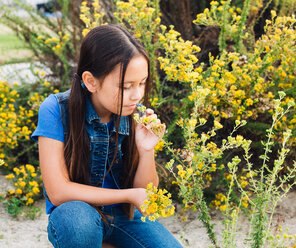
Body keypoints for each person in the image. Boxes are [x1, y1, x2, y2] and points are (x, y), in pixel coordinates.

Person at [31, 24, 183, 248]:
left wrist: (146, 149)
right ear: (91, 81)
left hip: (124, 219)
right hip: (77, 214)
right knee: (78, 224)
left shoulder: (134, 113)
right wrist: (128, 196)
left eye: (141, 83)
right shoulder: (56, 109)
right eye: (126, 86)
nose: (137, 95)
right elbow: (58, 192)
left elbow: (146, 197)